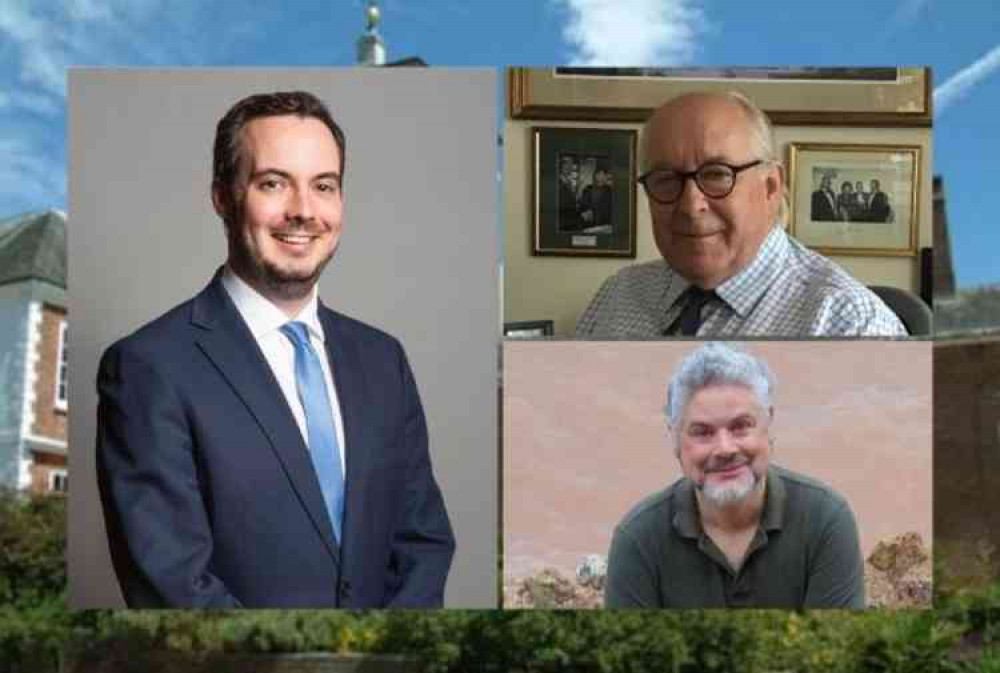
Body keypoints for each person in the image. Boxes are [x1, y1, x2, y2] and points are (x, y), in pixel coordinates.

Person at [96, 91, 455, 608]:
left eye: (324, 186)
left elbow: (423, 542)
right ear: (223, 196)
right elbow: (171, 583)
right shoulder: (148, 367)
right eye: (273, 183)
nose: (303, 211)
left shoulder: (383, 361)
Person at [575, 92, 906, 337]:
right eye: (665, 179)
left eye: (717, 174)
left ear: (771, 187)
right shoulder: (618, 296)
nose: (691, 206)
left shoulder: (849, 325)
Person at [605, 343, 865, 609]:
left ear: (768, 425)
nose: (725, 449)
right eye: (702, 432)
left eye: (741, 426)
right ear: (674, 439)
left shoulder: (825, 519)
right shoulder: (638, 538)